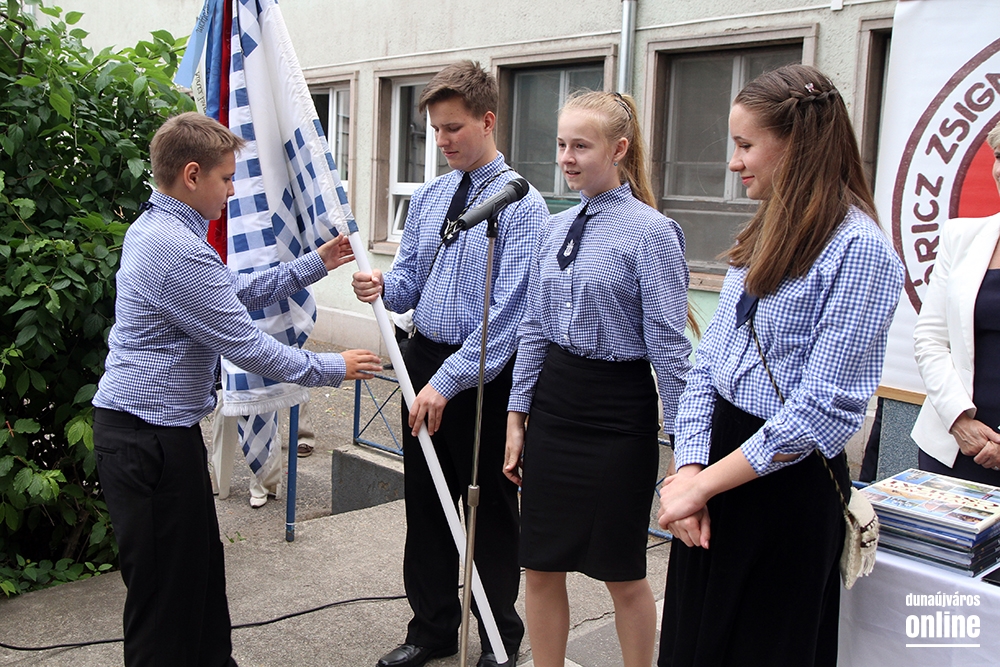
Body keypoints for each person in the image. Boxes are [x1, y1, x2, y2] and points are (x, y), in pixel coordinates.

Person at [92, 112, 381, 667]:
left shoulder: (166, 231)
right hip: (147, 442)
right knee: (164, 602)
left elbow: (233, 291)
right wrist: (332, 366)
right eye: (226, 178)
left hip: (160, 437)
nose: (231, 190)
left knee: (198, 577)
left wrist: (314, 265)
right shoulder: (175, 249)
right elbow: (247, 346)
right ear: (192, 175)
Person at [655, 65, 904, 666]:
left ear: (798, 144)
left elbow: (821, 410)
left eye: (745, 145)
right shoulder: (763, 230)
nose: (733, 163)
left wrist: (699, 486)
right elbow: (708, 364)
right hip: (717, 471)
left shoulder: (860, 251)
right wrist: (688, 466)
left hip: (781, 490)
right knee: (693, 644)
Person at [352, 61, 548, 667]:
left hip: (483, 374)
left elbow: (512, 316)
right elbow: (411, 281)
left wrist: (447, 380)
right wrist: (381, 287)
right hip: (424, 360)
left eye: (453, 128)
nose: (441, 140)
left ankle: (498, 636)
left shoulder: (521, 205)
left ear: (488, 121)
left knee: (488, 511)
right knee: (427, 502)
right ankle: (432, 627)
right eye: (435, 129)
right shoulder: (432, 196)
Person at [502, 91, 691, 667]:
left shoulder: (652, 232)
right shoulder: (553, 227)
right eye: (561, 144)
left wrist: (688, 453)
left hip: (616, 413)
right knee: (539, 565)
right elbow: (534, 326)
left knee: (621, 571)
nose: (566, 157)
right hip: (554, 406)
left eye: (581, 146)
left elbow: (670, 351)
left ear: (619, 149)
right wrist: (517, 415)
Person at [911, 118, 1000, 485]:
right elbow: (930, 338)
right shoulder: (962, 236)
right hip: (953, 446)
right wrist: (958, 419)